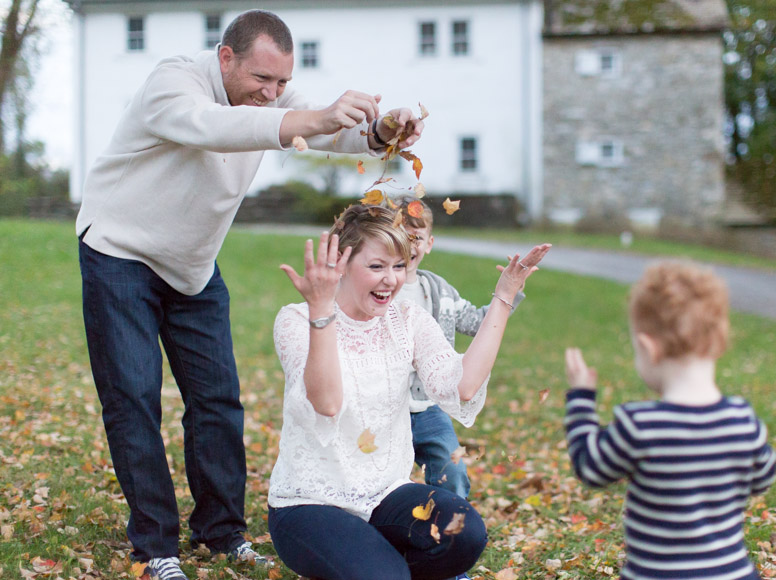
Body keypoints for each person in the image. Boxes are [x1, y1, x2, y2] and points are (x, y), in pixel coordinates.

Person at [76, 9, 424, 580]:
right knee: (134, 399)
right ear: (225, 57)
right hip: (121, 253)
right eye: (262, 80)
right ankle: (156, 547)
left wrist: (381, 131)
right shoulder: (174, 83)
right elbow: (212, 126)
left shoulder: (270, 100)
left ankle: (220, 533)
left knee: (218, 402)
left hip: (192, 267)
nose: (272, 94)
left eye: (283, 83)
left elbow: (325, 130)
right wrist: (301, 116)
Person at [269, 204, 550, 580]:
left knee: (464, 533)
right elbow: (328, 403)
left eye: (399, 266)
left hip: (385, 495)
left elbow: (462, 386)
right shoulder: (297, 320)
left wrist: (503, 296)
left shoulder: (407, 319)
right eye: (377, 266)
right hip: (309, 503)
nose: (391, 280)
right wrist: (322, 312)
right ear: (341, 263)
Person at [563, 260, 776, 579]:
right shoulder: (743, 421)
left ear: (649, 348)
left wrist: (581, 398)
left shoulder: (639, 425)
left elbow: (590, 468)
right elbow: (764, 478)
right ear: (718, 342)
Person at [394, 197, 524, 547]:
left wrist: (508, 292)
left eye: (417, 237)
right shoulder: (377, 286)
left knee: (452, 476)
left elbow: (477, 322)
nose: (409, 245)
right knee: (384, 481)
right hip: (384, 408)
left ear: (430, 244)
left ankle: (449, 549)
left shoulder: (438, 291)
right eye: (400, 234)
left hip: (430, 409)